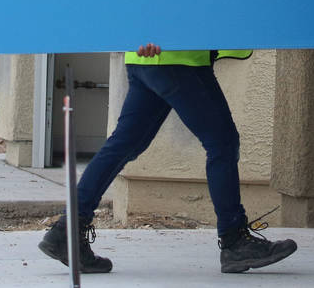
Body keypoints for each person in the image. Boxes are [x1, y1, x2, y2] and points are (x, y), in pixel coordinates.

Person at [38, 44, 298, 274]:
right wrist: (152, 31)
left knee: (124, 145)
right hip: (175, 58)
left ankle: (66, 232)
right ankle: (234, 240)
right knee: (222, 143)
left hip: (149, 61)